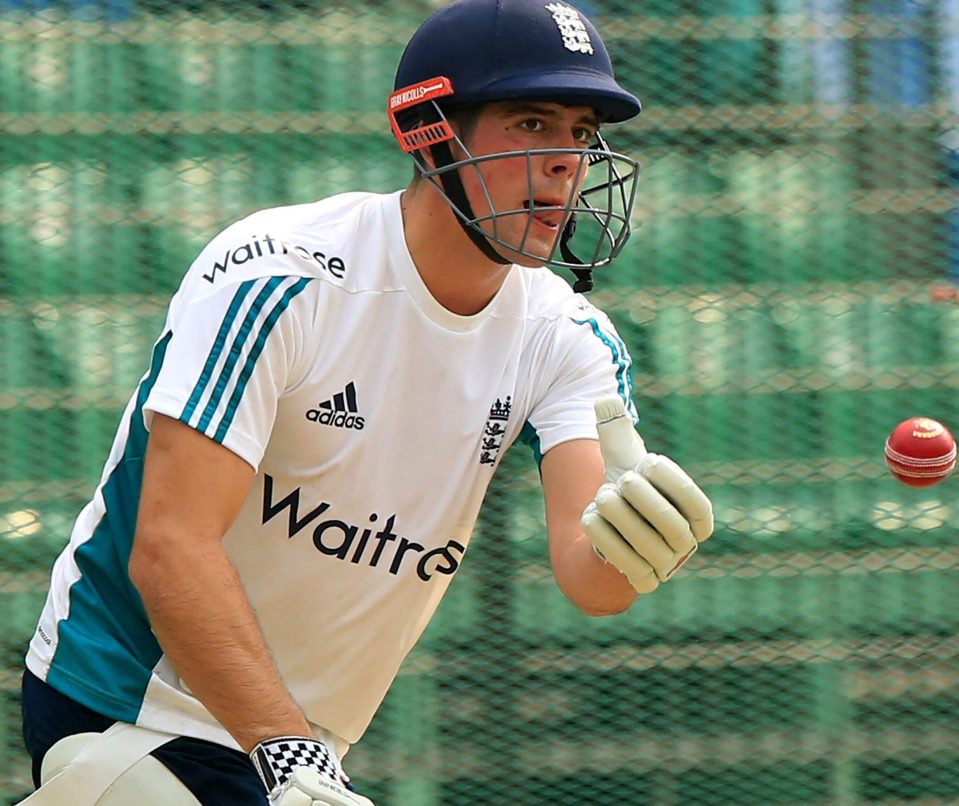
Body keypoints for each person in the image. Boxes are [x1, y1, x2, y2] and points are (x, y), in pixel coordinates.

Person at [17, 1, 714, 804]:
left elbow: (589, 582)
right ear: (428, 130)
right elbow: (170, 547)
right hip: (129, 706)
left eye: (581, 133)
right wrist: (288, 752)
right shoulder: (280, 274)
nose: (565, 161)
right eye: (530, 123)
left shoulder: (570, 337)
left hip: (304, 745)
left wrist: (641, 545)